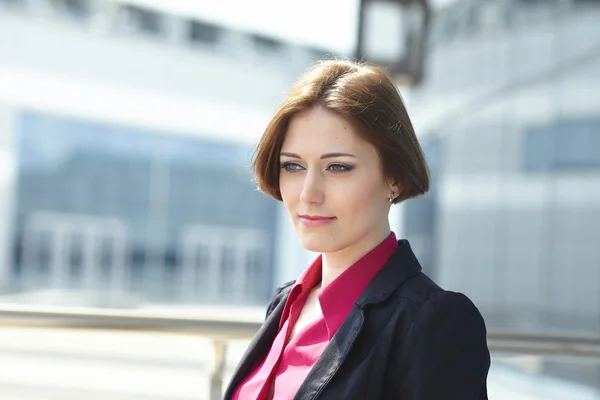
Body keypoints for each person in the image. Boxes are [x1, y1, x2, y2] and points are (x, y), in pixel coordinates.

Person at [223, 60, 490, 400]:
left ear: (393, 177)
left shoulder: (432, 322)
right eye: (293, 166)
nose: (308, 193)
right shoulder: (286, 302)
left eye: (338, 167)